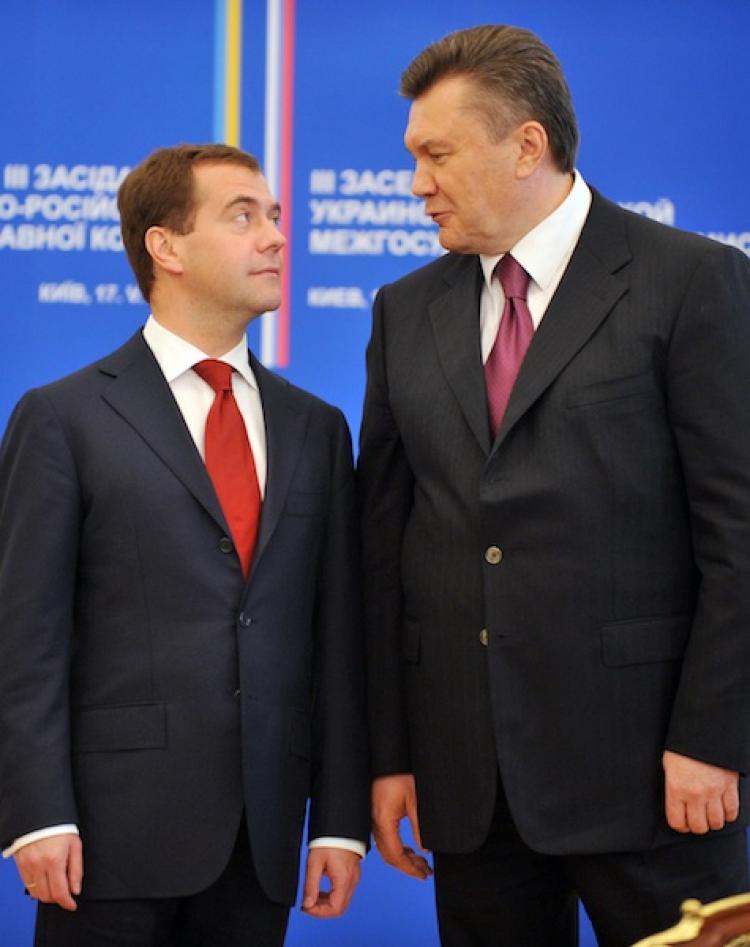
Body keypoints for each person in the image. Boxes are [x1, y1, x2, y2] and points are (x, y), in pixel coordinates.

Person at [358, 24, 750, 947]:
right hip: (469, 785)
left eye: (437, 154)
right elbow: (385, 545)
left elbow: (739, 535)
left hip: (657, 781)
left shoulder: (691, 281)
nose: (417, 183)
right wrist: (391, 753)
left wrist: (712, 738)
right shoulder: (404, 310)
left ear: (527, 145)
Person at [0, 143, 369, 946]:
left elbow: (337, 639)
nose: (275, 236)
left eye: (275, 216)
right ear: (165, 247)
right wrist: (37, 813)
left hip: (260, 843)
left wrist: (341, 820)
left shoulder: (317, 428)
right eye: (243, 216)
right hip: (105, 842)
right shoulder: (62, 419)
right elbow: (24, 640)